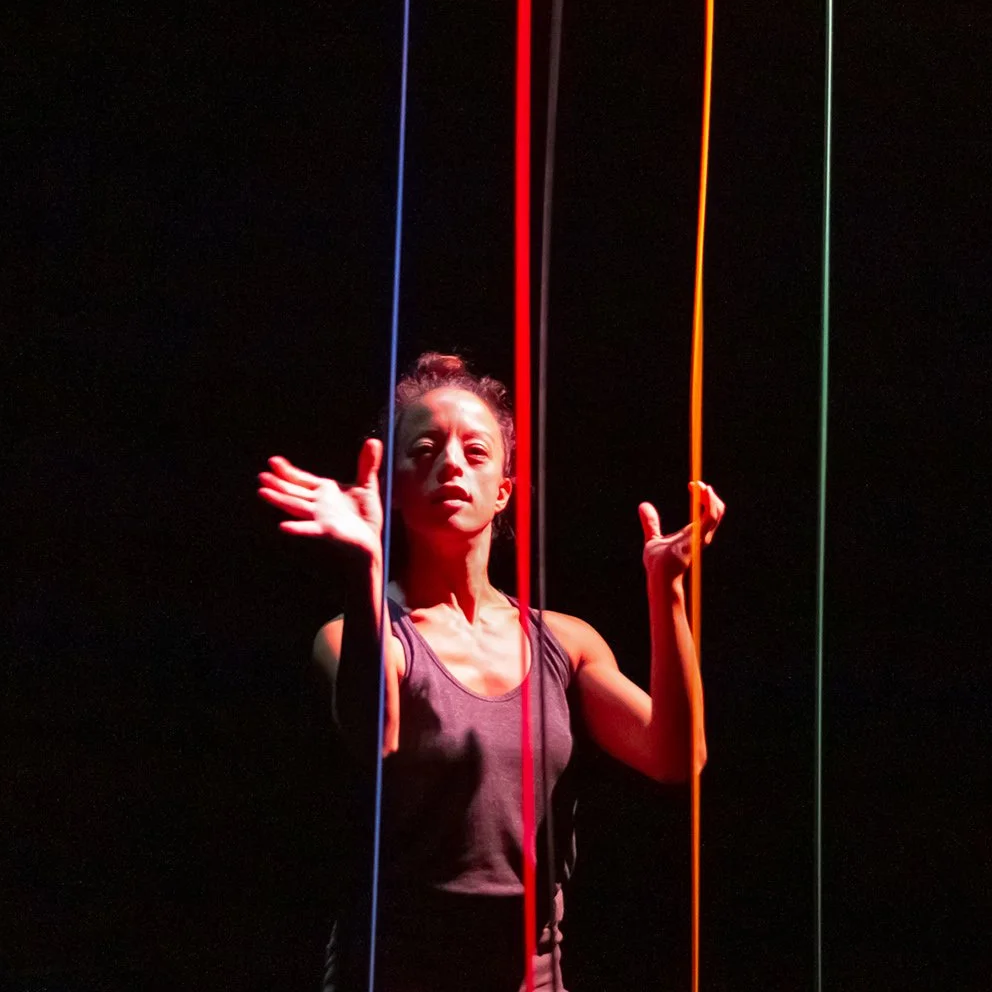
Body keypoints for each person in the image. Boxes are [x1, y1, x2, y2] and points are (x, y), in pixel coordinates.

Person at [257, 352, 723, 992]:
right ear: (392, 487)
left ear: (504, 489)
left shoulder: (565, 640)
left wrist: (665, 588)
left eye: (476, 451)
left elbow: (676, 756)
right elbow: (376, 732)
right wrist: (366, 568)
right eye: (425, 449)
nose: (451, 463)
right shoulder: (353, 635)